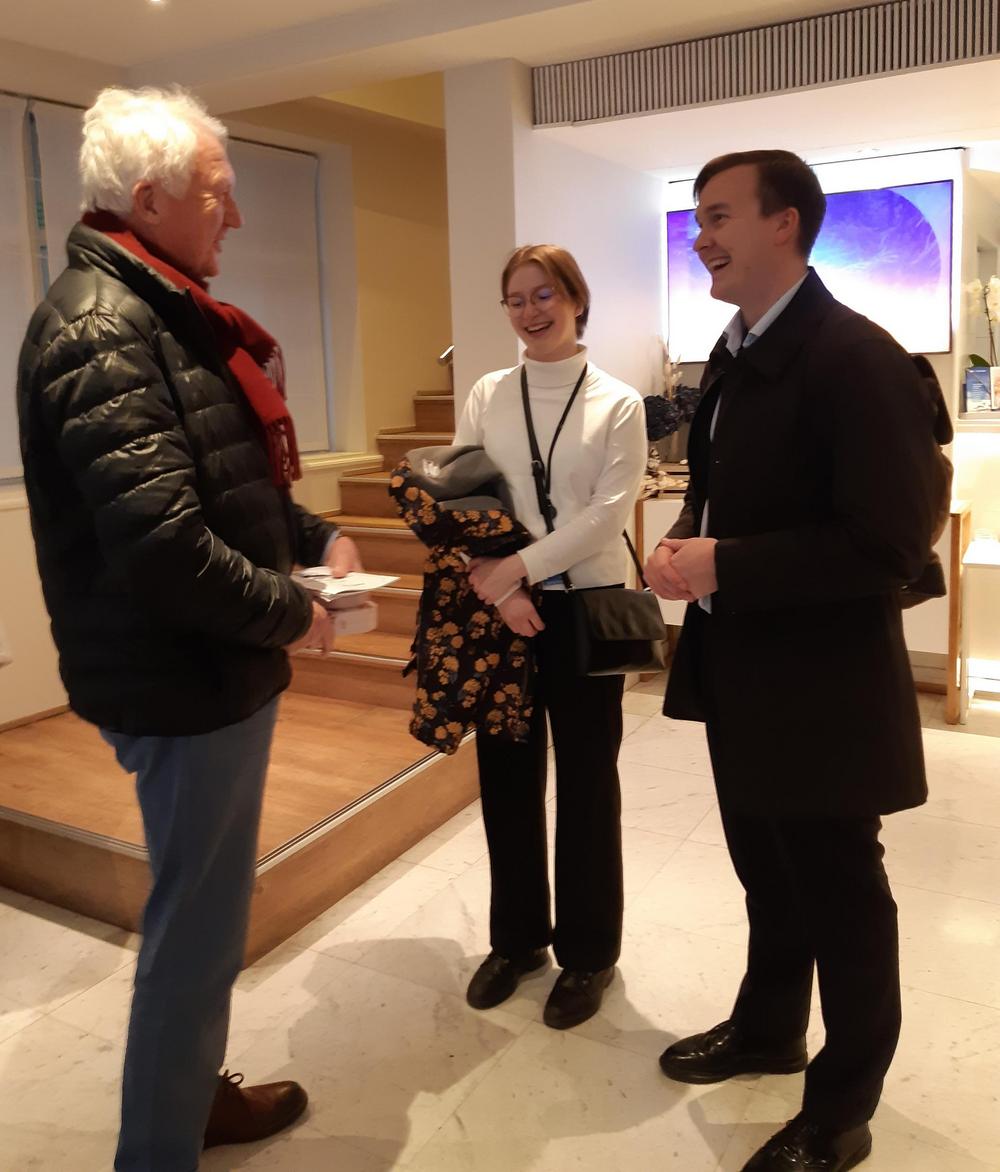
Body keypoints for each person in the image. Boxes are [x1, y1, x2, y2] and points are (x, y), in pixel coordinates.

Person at [16, 86, 361, 1171]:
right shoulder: (103, 326)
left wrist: (310, 533)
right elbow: (164, 544)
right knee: (198, 929)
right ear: (151, 198)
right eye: (219, 193)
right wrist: (294, 608)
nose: (238, 216)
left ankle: (191, 1097)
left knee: (202, 913)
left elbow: (218, 478)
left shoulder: (153, 306)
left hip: (200, 666)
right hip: (181, 677)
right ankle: (161, 1147)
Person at [644, 150, 945, 1172]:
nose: (701, 238)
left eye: (719, 216)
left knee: (840, 895)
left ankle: (841, 1110)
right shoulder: (733, 354)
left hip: (824, 686)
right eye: (697, 219)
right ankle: (768, 1027)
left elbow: (888, 545)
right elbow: (723, 491)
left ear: (787, 223)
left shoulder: (856, 358)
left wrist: (724, 561)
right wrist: (684, 541)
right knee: (766, 874)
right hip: (745, 670)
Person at [453, 244, 647, 1030]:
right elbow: (464, 495)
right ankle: (518, 940)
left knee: (590, 782)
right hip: (503, 610)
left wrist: (518, 570)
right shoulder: (488, 392)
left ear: (575, 298)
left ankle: (590, 953)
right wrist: (500, 589)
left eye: (544, 295)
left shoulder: (618, 403)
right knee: (505, 776)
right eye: (516, 299)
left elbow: (607, 514)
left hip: (584, 607)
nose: (531, 311)